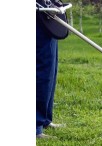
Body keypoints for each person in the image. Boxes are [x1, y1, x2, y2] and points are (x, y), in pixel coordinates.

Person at [36, 4, 65, 138]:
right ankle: (35, 125)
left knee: (50, 70)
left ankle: (45, 119)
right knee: (41, 72)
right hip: (36, 16)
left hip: (47, 16)